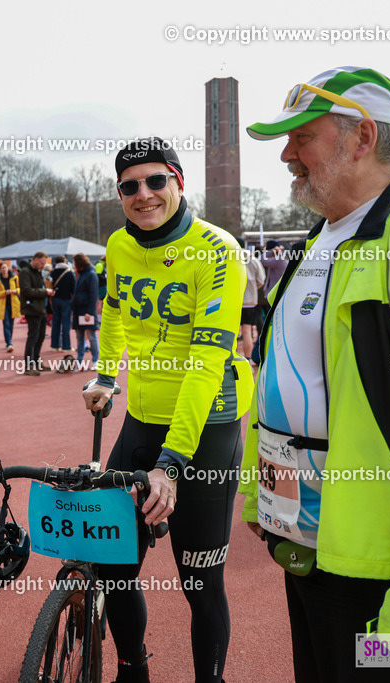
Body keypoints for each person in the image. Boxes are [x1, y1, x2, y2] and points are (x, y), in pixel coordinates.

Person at [242, 66, 390, 682]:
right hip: (310, 551)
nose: (286, 154)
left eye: (302, 136)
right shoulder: (317, 240)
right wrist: (258, 494)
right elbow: (280, 374)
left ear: (363, 137)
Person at [81, 139, 254, 683]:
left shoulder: (217, 249)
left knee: (199, 582)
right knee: (113, 564)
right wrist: (107, 376)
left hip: (206, 428)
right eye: (130, 186)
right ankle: (133, 669)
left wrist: (173, 465)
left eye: (156, 181)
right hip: (142, 420)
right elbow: (113, 314)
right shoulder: (116, 245)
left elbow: (205, 365)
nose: (144, 194)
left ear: (179, 181)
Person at [20, 251, 52, 375]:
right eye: (42, 263)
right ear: (36, 260)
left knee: (40, 337)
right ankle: (29, 366)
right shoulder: (25, 272)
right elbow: (27, 290)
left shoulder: (37, 272)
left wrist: (46, 292)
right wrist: (45, 292)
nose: (43, 266)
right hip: (32, 309)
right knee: (33, 338)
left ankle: (36, 362)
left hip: (41, 309)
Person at [70, 252, 99, 370]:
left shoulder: (91, 274)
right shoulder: (80, 274)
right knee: (79, 336)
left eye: (74, 262)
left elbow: (93, 294)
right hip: (78, 310)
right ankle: (80, 361)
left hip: (87, 311)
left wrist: (90, 311)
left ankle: (95, 360)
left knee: (91, 336)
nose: (73, 264)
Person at [239, 241, 266, 361]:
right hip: (250, 301)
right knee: (247, 330)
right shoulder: (254, 260)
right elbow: (261, 280)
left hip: (234, 299)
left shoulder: (228, 259)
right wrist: (252, 289)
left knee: (231, 331)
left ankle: (230, 360)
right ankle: (247, 359)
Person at [0, 261, 20, 353]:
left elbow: (21, 288)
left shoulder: (15, 277)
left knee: (11, 324)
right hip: (3, 305)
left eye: (5, 267)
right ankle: (9, 343)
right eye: (2, 268)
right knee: (6, 324)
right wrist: (5, 292)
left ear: (8, 268)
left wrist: (16, 291)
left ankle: (9, 341)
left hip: (13, 303)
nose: (4, 269)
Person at [49, 254, 75, 353]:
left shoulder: (53, 272)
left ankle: (54, 345)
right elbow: (73, 288)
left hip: (55, 299)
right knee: (66, 323)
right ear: (64, 261)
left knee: (55, 322)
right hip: (66, 299)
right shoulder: (69, 272)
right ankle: (66, 346)